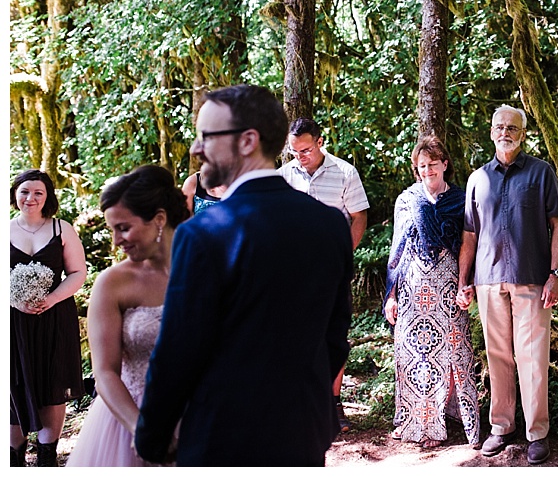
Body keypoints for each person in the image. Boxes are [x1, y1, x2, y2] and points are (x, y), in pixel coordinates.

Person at [134, 84, 354, 466]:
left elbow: (177, 353)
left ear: (248, 140)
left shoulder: (202, 234)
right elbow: (335, 337)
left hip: (221, 438)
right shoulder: (330, 225)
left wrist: (153, 439)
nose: (197, 148)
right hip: (302, 432)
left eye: (207, 136)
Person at [456, 105, 558, 465]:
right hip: (488, 279)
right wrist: (464, 280)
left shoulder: (540, 172)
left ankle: (537, 433)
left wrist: (556, 274)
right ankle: (501, 426)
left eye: (512, 127)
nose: (505, 132)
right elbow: (470, 234)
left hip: (532, 277)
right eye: (500, 127)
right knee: (498, 356)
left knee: (533, 357)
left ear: (523, 133)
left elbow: (557, 226)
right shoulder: (477, 178)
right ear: (491, 132)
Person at [66, 165, 190, 467]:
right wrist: (144, 432)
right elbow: (105, 371)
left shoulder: (207, 269)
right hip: (130, 420)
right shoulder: (112, 283)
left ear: (159, 219)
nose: (116, 241)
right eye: (112, 230)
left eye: (123, 227)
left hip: (202, 417)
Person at [384, 135, 480, 449]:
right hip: (412, 286)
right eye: (422, 166)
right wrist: (391, 295)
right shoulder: (406, 200)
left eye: (433, 165)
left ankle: (452, 415)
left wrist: (468, 284)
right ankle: (417, 422)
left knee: (452, 349)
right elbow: (397, 250)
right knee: (415, 352)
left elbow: (470, 245)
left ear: (445, 165)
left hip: (448, 283)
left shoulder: (461, 199)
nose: (427, 171)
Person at [280, 117, 369, 433]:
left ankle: (333, 405)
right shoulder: (283, 177)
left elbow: (359, 216)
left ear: (320, 142)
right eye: (294, 152)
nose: (300, 157)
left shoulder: (345, 172)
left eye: (305, 150)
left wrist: (345, 253)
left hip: (332, 271)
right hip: (294, 276)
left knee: (334, 337)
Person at [10, 169, 87, 467]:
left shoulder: (61, 229)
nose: (30, 198)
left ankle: (46, 458)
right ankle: (13, 457)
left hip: (55, 319)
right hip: (13, 324)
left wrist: (52, 298)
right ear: (15, 193)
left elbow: (78, 272)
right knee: (12, 382)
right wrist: (14, 301)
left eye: (38, 193)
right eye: (24, 191)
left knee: (53, 383)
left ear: (48, 197)